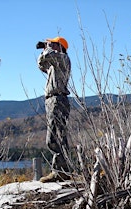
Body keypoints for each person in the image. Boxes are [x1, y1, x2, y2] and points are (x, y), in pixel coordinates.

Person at [37, 36, 72, 182]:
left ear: (60, 46)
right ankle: (61, 171)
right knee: (54, 137)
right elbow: (41, 64)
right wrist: (44, 50)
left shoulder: (63, 59)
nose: (48, 45)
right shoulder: (54, 65)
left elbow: (50, 55)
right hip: (53, 100)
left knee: (55, 137)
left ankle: (60, 171)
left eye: (52, 44)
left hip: (58, 99)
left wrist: (49, 49)